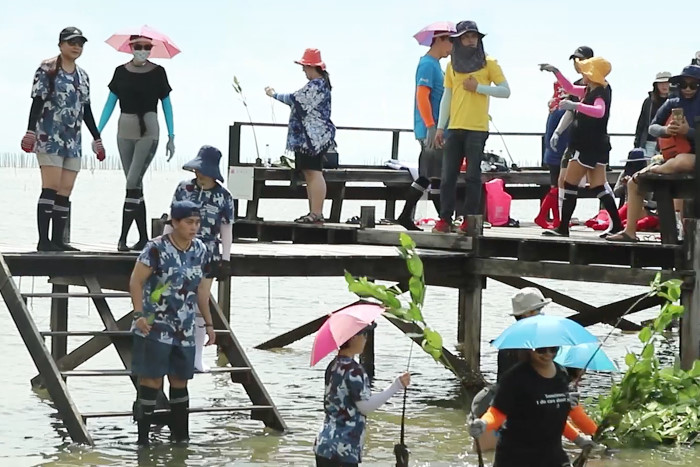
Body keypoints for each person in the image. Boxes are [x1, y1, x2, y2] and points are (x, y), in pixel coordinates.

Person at [129, 200, 215, 445]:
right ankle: (143, 441)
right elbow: (136, 282)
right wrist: (138, 315)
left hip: (184, 328)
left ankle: (181, 440)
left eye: (197, 222)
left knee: (180, 380)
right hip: (154, 326)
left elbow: (201, 291)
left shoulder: (200, 249)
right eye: (189, 222)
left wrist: (208, 324)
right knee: (151, 381)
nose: (194, 227)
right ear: (174, 223)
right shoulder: (155, 249)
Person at [21, 27, 104, 252]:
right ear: (60, 45)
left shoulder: (83, 76)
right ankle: (43, 240)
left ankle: (59, 240)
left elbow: (86, 109)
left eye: (80, 43)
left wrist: (97, 138)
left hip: (72, 139)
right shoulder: (47, 69)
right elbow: (37, 102)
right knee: (51, 186)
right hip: (49, 135)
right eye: (71, 42)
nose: (76, 47)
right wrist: (30, 131)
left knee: (66, 189)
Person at [98, 34, 176, 252]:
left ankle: (122, 238)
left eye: (147, 47)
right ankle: (143, 238)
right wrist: (98, 131)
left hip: (148, 131)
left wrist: (172, 136)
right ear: (130, 47)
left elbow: (167, 105)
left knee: (131, 182)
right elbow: (110, 104)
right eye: (138, 46)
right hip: (124, 130)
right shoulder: (120, 72)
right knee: (136, 187)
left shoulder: (158, 72)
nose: (143, 50)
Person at [432, 20, 511, 234]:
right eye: (466, 37)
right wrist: (440, 127)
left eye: (474, 36)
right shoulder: (451, 65)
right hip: (454, 127)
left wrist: (479, 88)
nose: (471, 40)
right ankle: (445, 219)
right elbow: (447, 96)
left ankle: (469, 220)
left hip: (477, 128)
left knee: (473, 176)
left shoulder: (489, 63)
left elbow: (505, 91)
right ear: (458, 40)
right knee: (447, 176)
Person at [607, 65, 700, 243]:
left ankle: (655, 170)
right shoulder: (673, 102)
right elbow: (652, 127)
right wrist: (667, 130)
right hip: (672, 158)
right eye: (683, 84)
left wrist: (689, 131)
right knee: (634, 183)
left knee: (682, 161)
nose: (687, 89)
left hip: (694, 158)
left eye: (693, 85)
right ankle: (629, 232)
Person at [165, 145, 234, 371]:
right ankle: (172, 350)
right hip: (179, 249)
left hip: (208, 252)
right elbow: (171, 220)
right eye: (197, 171)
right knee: (175, 298)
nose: (199, 175)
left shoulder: (224, 196)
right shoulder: (183, 188)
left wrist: (226, 258)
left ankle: (197, 357)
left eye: (203, 171)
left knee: (200, 300)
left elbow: (226, 228)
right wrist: (163, 247)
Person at [468, 346, 595, 467]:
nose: (548, 354)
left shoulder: (561, 374)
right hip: (516, 457)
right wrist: (484, 423)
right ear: (529, 350)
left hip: (552, 456)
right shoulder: (514, 378)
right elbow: (497, 413)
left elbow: (555, 419)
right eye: (541, 350)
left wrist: (579, 440)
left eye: (553, 349)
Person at [539, 57, 622, 238]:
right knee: (599, 185)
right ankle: (616, 225)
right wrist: (556, 71)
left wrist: (575, 105)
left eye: (585, 71)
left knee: (569, 183)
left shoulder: (600, 92)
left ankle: (562, 229)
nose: (582, 74)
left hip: (587, 146)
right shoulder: (588, 90)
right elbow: (569, 88)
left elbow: (599, 112)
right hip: (598, 145)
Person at [314, 323, 411, 466]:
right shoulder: (354, 370)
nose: (366, 339)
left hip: (324, 444)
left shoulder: (333, 365)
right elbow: (366, 406)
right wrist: (396, 386)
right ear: (353, 337)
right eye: (364, 334)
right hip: (343, 450)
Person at [265, 48, 336, 224]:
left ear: (312, 67)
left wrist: (274, 94)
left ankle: (316, 213)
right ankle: (313, 212)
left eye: (305, 66)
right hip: (308, 138)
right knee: (309, 173)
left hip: (312, 139)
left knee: (314, 173)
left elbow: (295, 99)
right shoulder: (319, 84)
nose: (303, 70)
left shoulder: (317, 85)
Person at [397, 27, 453, 230]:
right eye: (451, 42)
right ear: (440, 40)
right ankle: (406, 216)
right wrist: (430, 125)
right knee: (428, 175)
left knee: (435, 175)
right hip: (431, 128)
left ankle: (443, 220)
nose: (452, 47)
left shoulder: (437, 66)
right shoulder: (428, 64)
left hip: (438, 128)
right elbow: (422, 96)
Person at [545, 46, 595, 230]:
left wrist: (574, 105)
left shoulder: (600, 86)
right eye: (575, 60)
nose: (577, 64)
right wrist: (557, 132)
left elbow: (599, 112)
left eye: (581, 59)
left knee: (598, 184)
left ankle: (614, 224)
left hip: (592, 141)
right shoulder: (576, 85)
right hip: (573, 139)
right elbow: (571, 111)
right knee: (563, 181)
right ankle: (561, 223)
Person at [634, 72, 672, 157]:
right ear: (656, 85)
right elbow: (641, 123)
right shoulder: (649, 101)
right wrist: (637, 143)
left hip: (669, 142)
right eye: (661, 83)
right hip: (649, 142)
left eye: (667, 83)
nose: (664, 86)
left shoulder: (677, 101)